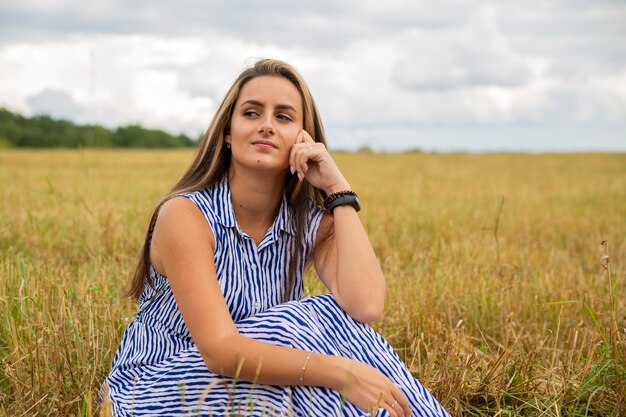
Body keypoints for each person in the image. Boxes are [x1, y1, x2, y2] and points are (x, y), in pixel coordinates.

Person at [101, 58, 449, 417]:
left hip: (259, 387)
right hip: (159, 385)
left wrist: (337, 188)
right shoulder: (186, 215)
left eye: (283, 117)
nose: (267, 125)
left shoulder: (308, 223)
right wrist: (342, 372)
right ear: (227, 132)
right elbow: (220, 351)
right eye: (251, 113)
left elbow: (366, 306)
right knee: (311, 322)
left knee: (332, 343)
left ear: (303, 139)